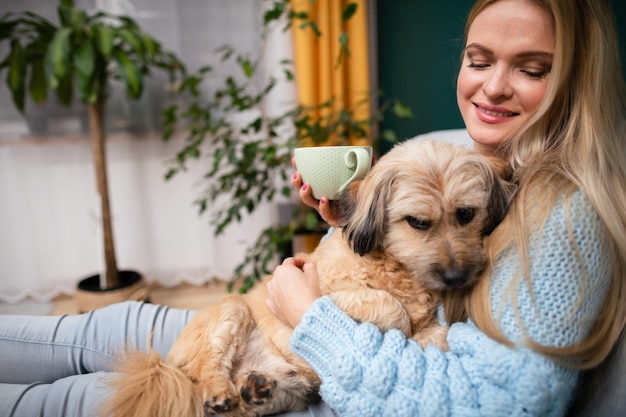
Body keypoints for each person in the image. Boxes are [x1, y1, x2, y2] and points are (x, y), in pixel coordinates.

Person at [0, 0, 624, 416]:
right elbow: (386, 236)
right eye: (478, 59)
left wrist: (309, 314)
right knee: (80, 333)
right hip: (266, 320)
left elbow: (486, 401)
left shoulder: (565, 223)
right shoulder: (475, 149)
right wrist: (345, 222)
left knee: (69, 399)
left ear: (575, 77)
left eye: (532, 68)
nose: (490, 86)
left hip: (310, 366)